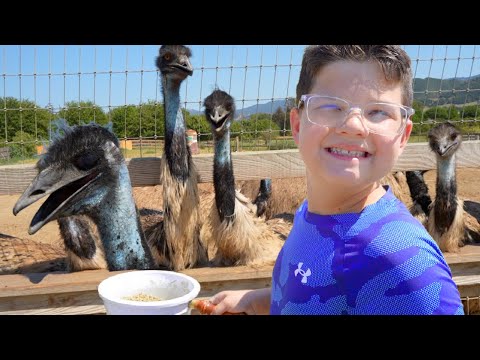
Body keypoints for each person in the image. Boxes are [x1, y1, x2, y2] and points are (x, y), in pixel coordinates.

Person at [208, 45, 464, 315]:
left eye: (378, 112)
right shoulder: (310, 213)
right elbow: (320, 289)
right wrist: (256, 300)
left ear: (403, 135)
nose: (353, 126)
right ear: (297, 126)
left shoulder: (402, 259)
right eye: (330, 105)